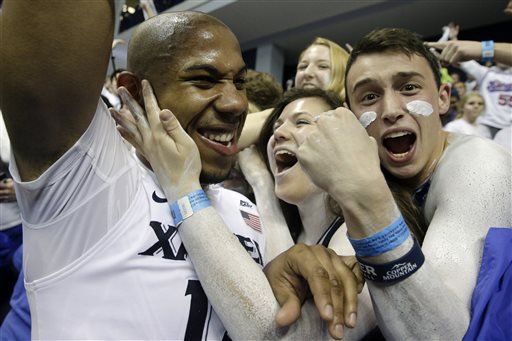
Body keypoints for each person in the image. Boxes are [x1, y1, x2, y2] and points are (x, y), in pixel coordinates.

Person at [0, 2, 356, 339]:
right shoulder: (89, 181)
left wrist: (269, 280)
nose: (236, 103)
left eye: (239, 83)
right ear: (134, 93)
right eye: (203, 80)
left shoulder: (244, 209)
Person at [266, 28, 510, 339]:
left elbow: (439, 335)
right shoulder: (380, 167)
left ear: (443, 98)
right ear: (351, 114)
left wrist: (364, 202)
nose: (391, 110)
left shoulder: (479, 164)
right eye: (369, 96)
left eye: (409, 88)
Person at [426, 39, 512, 139]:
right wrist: (437, 50)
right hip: (487, 124)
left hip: (509, 125)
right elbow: (466, 62)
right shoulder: (486, 73)